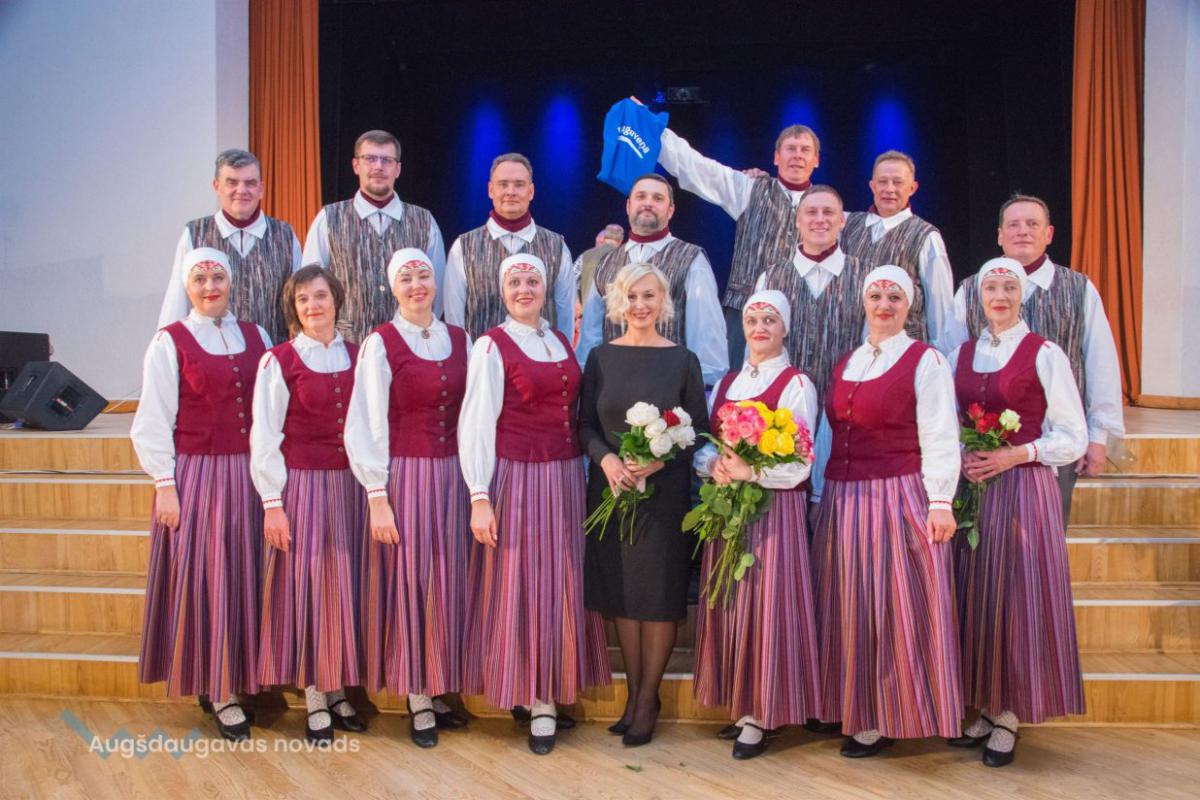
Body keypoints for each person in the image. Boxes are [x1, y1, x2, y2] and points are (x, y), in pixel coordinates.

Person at [458, 253, 610, 755]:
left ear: (546, 289)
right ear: (502, 291)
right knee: (520, 582)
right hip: (517, 477)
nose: (524, 289)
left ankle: (548, 687)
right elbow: (477, 423)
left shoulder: (559, 340)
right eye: (515, 282)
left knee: (559, 580)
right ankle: (533, 696)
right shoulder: (491, 345)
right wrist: (479, 495)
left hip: (563, 477)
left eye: (533, 281)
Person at [811, 265, 963, 757]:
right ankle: (850, 705)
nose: (883, 304)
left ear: (908, 306)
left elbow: (940, 432)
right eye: (875, 295)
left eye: (894, 297)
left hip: (896, 493)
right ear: (863, 302)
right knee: (849, 603)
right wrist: (819, 494)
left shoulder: (925, 359)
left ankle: (886, 713)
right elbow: (830, 434)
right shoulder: (848, 361)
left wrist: (939, 501)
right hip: (843, 498)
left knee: (891, 606)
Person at [947, 258, 1087, 767]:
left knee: (1015, 597)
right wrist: (961, 454)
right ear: (979, 296)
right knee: (978, 593)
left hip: (1024, 489)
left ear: (1022, 294)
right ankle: (985, 705)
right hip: (974, 491)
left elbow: (1073, 436)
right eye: (991, 287)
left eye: (1009, 286)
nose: (1000, 295)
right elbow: (946, 421)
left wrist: (1017, 454)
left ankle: (1009, 713)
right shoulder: (961, 353)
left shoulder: (1044, 353)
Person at [132, 247, 273, 741]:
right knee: (210, 578)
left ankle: (242, 674)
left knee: (246, 575)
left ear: (230, 281)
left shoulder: (258, 335)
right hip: (201, 475)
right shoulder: (169, 342)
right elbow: (152, 419)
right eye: (200, 279)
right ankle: (218, 687)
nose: (210, 286)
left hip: (251, 475)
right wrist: (165, 485)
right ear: (186, 287)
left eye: (217, 276)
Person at [345, 248, 472, 749]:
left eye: (423, 275)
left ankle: (438, 683)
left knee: (447, 578)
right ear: (392, 288)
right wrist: (377, 494)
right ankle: (417, 694)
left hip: (455, 476)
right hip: (407, 475)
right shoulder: (380, 343)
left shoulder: (461, 339)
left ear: (435, 282)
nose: (417, 284)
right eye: (406, 278)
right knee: (413, 578)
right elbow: (366, 421)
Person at [579, 262, 709, 747]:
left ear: (663, 301)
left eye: (649, 296)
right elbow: (584, 425)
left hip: (663, 495)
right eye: (632, 296)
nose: (640, 305)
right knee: (624, 597)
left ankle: (648, 700)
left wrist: (659, 460)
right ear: (618, 301)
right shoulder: (600, 358)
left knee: (656, 599)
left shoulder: (683, 360)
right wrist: (607, 460)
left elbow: (698, 429)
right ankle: (634, 697)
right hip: (611, 490)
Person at [692, 290, 823, 760]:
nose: (760, 328)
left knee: (766, 605)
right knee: (732, 602)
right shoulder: (728, 382)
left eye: (770, 320)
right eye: (752, 320)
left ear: (785, 328)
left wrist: (752, 472)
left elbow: (801, 461)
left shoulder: (796, 384)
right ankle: (741, 702)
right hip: (728, 509)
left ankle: (764, 711)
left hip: (773, 511)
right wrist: (714, 466)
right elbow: (706, 446)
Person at [947, 194, 1124, 521]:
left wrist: (1098, 436)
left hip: (1053, 447)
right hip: (981, 452)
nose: (1023, 231)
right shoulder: (970, 290)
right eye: (1013, 225)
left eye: (1032, 224)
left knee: (1042, 534)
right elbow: (950, 364)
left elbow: (1101, 364)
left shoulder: (1078, 288)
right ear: (1000, 235)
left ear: (1049, 233)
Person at [249, 265, 366, 745]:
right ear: (294, 309)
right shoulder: (279, 361)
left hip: (352, 487)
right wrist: (272, 502)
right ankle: (316, 696)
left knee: (345, 588)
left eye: (321, 296)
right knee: (312, 588)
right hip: (304, 487)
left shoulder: (360, 355)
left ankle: (338, 689)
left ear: (336, 299)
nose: (314, 305)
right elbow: (264, 435)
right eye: (303, 299)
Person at [656, 114, 821, 367]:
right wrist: (652, 127)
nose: (797, 156)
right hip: (744, 316)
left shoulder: (827, 208)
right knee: (739, 387)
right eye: (790, 149)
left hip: (801, 317)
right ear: (776, 157)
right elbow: (696, 166)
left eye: (805, 150)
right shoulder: (748, 188)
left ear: (816, 160)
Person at [577, 174, 728, 386]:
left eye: (657, 198)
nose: (648, 203)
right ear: (628, 206)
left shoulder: (691, 259)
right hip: (613, 388)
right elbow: (590, 337)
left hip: (669, 390)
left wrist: (699, 389)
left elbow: (706, 336)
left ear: (670, 210)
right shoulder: (606, 262)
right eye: (641, 196)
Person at [302, 130, 446, 342]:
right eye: (370, 159)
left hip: (408, 345)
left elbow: (437, 292)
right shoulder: (328, 219)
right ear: (356, 165)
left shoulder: (425, 222)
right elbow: (309, 288)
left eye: (387, 160)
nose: (378, 166)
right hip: (345, 346)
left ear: (397, 169)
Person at [156, 149, 301, 343]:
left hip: (271, 356)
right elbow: (177, 302)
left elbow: (300, 305)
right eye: (232, 182)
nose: (241, 190)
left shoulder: (285, 236)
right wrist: (169, 349)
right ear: (217, 186)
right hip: (209, 356)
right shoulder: (195, 234)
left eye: (250, 183)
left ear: (261, 189)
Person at [754, 185, 871, 401]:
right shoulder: (770, 279)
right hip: (784, 405)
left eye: (828, 212)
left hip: (845, 403)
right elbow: (756, 350)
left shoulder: (867, 277)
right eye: (811, 212)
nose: (819, 219)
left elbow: (873, 348)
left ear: (842, 221)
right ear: (798, 220)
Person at [443, 153, 576, 340]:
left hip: (540, 356)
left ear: (531, 191)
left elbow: (565, 317)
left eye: (519, 184)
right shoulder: (463, 248)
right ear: (490, 190)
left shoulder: (557, 248)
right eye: (503, 184)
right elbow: (454, 320)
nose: (511, 191)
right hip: (481, 357)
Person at [839, 150, 956, 349]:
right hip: (853, 350)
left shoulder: (925, 236)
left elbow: (940, 306)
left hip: (904, 352)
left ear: (912, 188)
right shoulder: (848, 225)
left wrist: (941, 353)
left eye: (898, 182)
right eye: (883, 182)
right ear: (872, 186)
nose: (889, 189)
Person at [576, 224, 625, 302]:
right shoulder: (625, 257)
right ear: (621, 240)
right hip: (615, 306)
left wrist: (577, 303)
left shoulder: (586, 255)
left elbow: (572, 280)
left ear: (604, 238)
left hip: (587, 305)